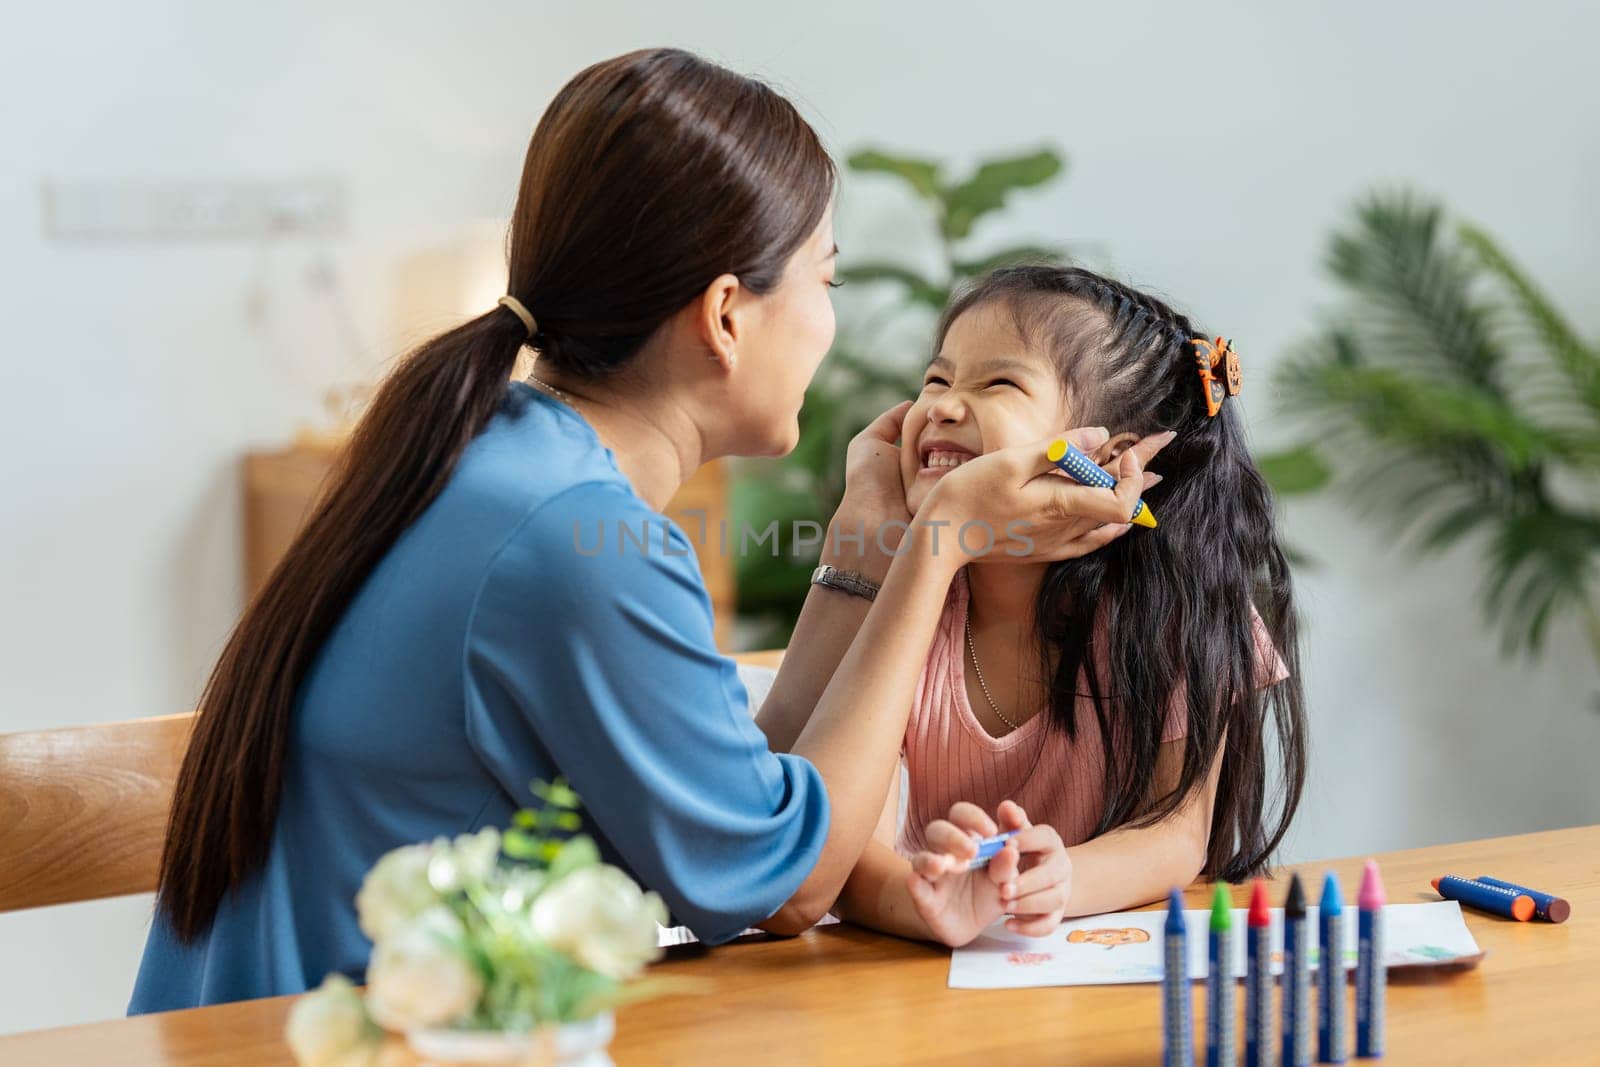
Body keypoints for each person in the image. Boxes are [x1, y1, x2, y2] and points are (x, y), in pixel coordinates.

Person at [129, 53, 1162, 1013]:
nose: (830, 321)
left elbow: (733, 813)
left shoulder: (487, 456)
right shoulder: (576, 540)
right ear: (726, 314)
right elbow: (788, 883)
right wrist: (936, 543)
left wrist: (860, 547)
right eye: (825, 279)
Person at [832, 265, 1306, 946]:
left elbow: (1177, 833)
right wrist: (930, 903)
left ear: (1104, 459)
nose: (939, 406)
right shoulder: (907, 597)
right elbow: (848, 846)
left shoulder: (1174, 611)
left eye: (996, 383)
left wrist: (1057, 880)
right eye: (936, 380)